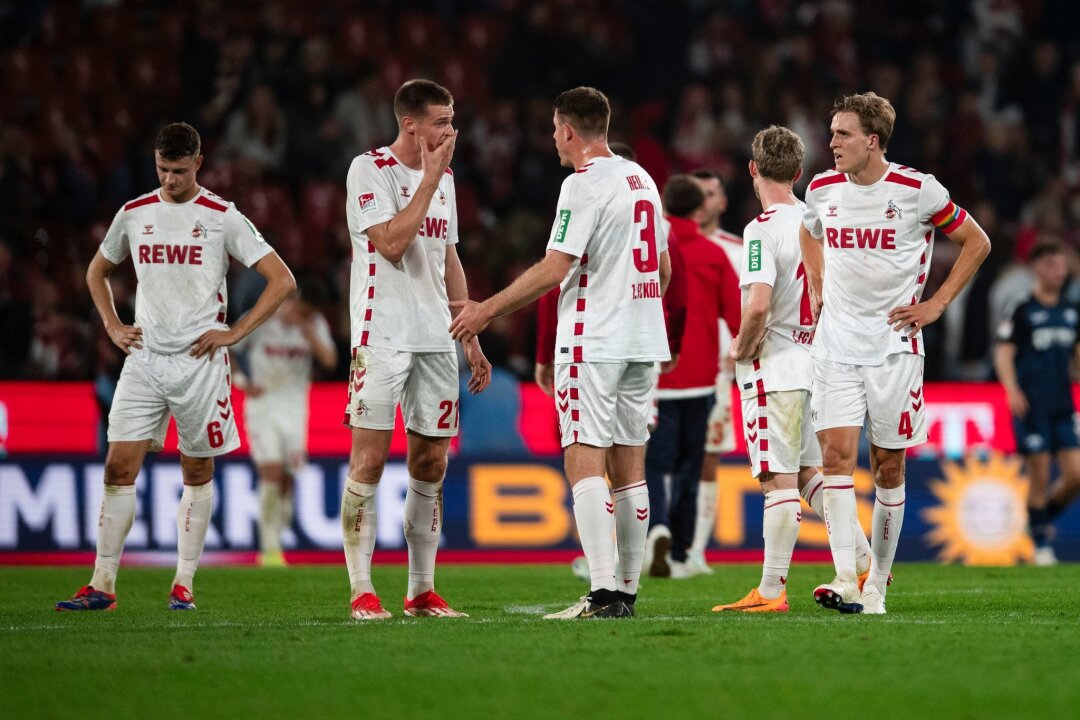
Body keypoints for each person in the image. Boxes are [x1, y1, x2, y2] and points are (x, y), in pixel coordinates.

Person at [56, 122, 296, 611]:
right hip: (144, 359)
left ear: (199, 164)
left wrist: (235, 333)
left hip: (200, 363)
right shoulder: (134, 213)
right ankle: (102, 584)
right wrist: (113, 325)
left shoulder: (221, 216)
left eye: (180, 171)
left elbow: (282, 279)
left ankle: (183, 583)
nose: (170, 179)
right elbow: (96, 271)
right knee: (118, 465)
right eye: (163, 169)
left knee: (197, 469)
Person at [452, 86, 671, 619]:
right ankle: (625, 593)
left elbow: (555, 267)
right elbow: (663, 268)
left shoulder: (582, 185)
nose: (553, 139)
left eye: (554, 130)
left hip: (594, 341)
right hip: (644, 340)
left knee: (585, 460)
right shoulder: (642, 180)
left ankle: (601, 594)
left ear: (569, 130)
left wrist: (486, 310)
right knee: (632, 468)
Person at [800, 92, 991, 614]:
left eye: (842, 134)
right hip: (835, 343)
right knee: (835, 458)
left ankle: (877, 586)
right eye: (832, 132)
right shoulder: (821, 189)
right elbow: (808, 229)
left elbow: (977, 242)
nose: (832, 142)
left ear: (872, 141)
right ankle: (845, 577)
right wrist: (816, 281)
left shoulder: (917, 190)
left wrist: (937, 304)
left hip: (893, 347)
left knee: (887, 467)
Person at [341, 79, 491, 621]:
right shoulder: (369, 170)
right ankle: (362, 590)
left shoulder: (445, 179)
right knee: (369, 462)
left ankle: (421, 591)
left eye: (452, 121)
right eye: (442, 122)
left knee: (431, 463)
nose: (452, 131)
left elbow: (445, 257)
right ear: (411, 124)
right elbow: (392, 243)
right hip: (380, 337)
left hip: (435, 339)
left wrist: (469, 333)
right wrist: (427, 181)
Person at [711, 126, 821, 611]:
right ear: (798, 173)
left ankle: (772, 590)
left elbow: (757, 305)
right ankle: (863, 562)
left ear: (753, 169)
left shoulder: (761, 228)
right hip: (816, 362)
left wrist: (741, 347)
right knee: (808, 475)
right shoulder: (819, 224)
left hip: (773, 366)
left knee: (776, 478)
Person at [644, 176, 741, 580]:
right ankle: (683, 550)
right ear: (698, 209)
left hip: (655, 376)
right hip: (704, 377)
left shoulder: (650, 248)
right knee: (690, 465)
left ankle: (654, 528)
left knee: (650, 464)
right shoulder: (715, 253)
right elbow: (735, 316)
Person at [233, 278, 336, 567]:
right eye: (302, 310)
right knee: (271, 470)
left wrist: (306, 328)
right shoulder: (264, 315)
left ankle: (278, 530)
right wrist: (241, 381)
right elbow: (228, 345)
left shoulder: (313, 324)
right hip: (263, 403)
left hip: (294, 407)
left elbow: (329, 360)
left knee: (288, 476)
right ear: (296, 298)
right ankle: (269, 549)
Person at [995, 242, 1080, 566]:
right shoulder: (1021, 307)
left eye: (1061, 266)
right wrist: (1011, 389)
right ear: (1037, 268)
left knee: (1075, 475)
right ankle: (1041, 544)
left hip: (1063, 404)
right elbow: (1004, 351)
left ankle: (1038, 521)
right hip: (1031, 404)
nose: (1059, 272)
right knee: (1040, 473)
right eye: (1051, 266)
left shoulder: (1071, 309)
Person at [688, 168, 742, 574]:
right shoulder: (664, 247)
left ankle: (695, 550)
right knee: (650, 459)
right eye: (697, 193)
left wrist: (740, 353)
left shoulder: (738, 250)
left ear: (721, 202)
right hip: (664, 371)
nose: (704, 201)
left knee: (707, 460)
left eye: (711, 193)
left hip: (718, 374)